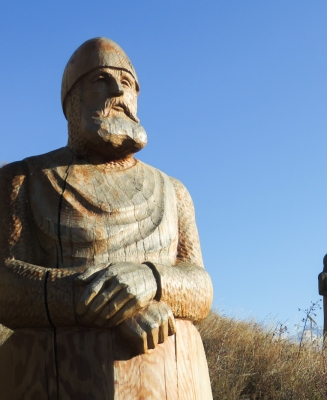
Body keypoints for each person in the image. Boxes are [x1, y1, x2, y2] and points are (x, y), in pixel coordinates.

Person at [0, 37, 213, 399]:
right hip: (54, 375)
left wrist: (151, 281)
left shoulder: (173, 190)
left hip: (171, 378)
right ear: (71, 100)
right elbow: (6, 282)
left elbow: (200, 285)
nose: (118, 90)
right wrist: (106, 301)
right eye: (101, 79)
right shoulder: (23, 179)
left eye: (128, 83)